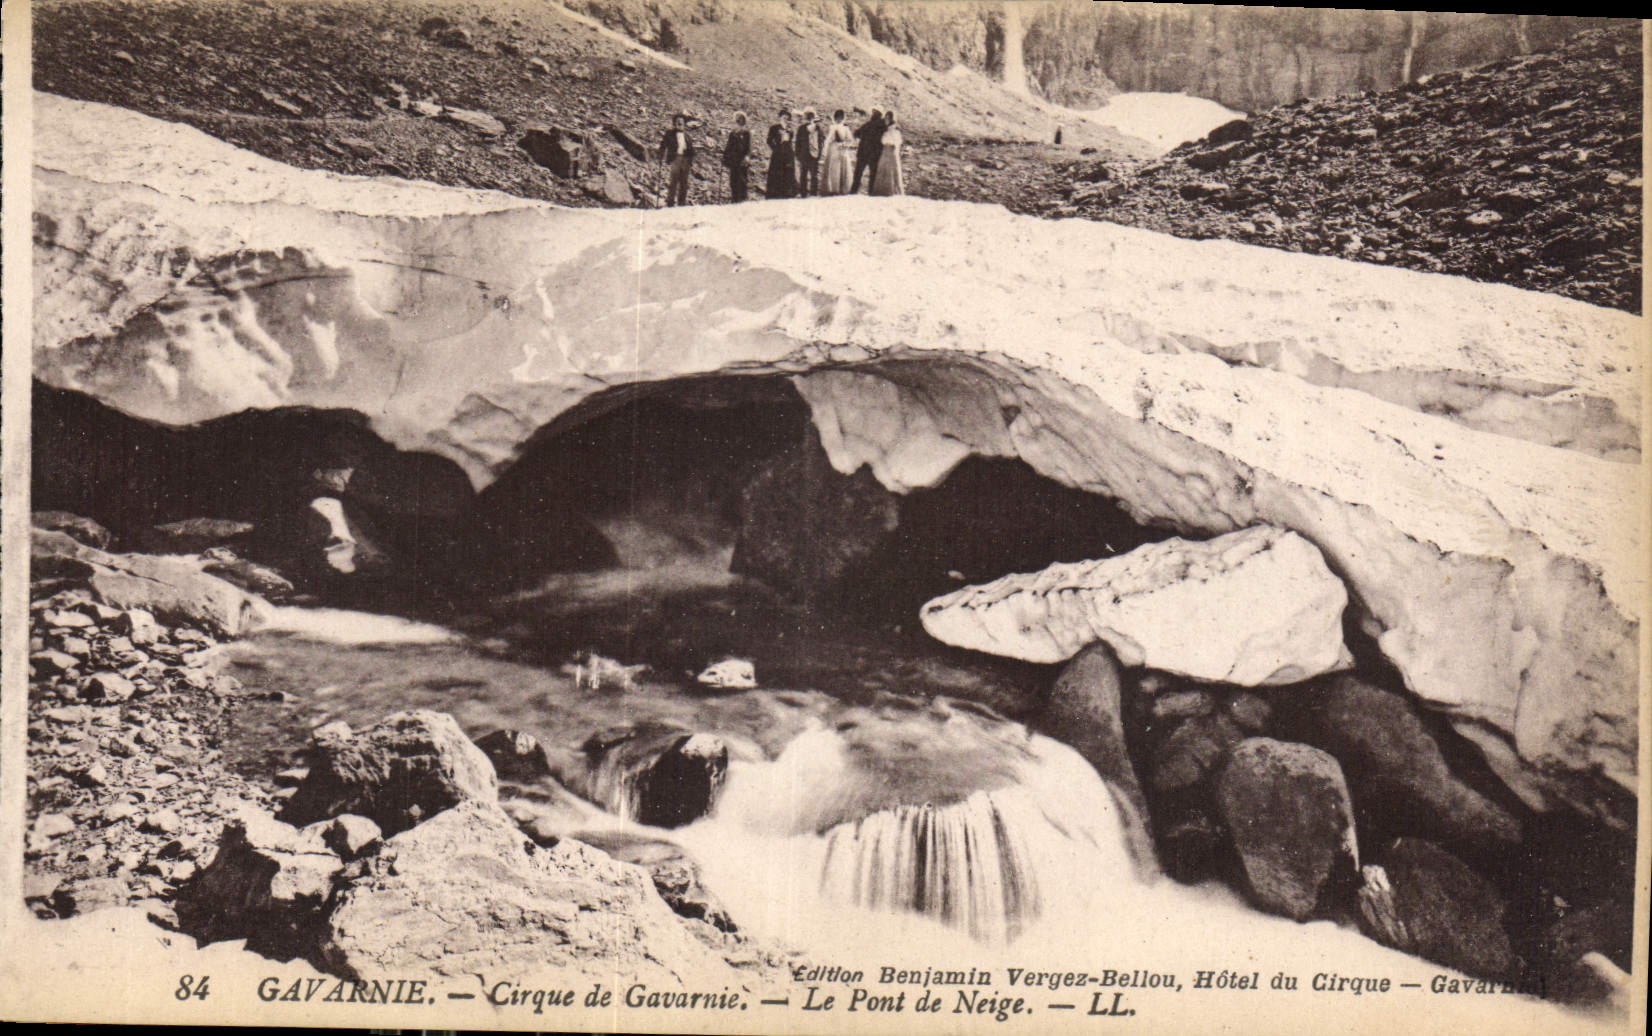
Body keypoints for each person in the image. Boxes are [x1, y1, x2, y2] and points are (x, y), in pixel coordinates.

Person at [658, 113, 696, 207]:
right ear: (674, 123)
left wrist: (691, 158)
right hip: (675, 159)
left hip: (685, 160)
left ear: (684, 124)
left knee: (684, 182)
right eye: (677, 122)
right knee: (673, 181)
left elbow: (691, 150)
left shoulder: (687, 136)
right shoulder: (669, 134)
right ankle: (670, 203)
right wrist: (660, 156)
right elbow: (663, 145)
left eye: (681, 122)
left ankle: (681, 203)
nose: (679, 123)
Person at [871, 111, 905, 197]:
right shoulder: (887, 130)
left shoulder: (895, 130)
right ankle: (882, 191)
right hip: (885, 152)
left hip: (891, 152)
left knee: (891, 170)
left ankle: (891, 191)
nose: (885, 120)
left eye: (887, 118)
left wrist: (892, 146)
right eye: (885, 118)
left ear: (891, 119)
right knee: (883, 169)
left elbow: (897, 142)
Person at [851, 108, 885, 194]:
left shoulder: (871, 124)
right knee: (871, 174)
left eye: (874, 112)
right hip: (873, 153)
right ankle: (870, 192)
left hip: (866, 152)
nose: (873, 114)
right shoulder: (882, 125)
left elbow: (856, 133)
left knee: (859, 172)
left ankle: (854, 191)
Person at [820, 109, 854, 195]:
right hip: (834, 149)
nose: (839, 119)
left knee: (842, 168)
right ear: (835, 118)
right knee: (834, 168)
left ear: (843, 118)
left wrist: (844, 144)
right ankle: (833, 188)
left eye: (841, 118)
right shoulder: (832, 127)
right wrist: (825, 148)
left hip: (842, 149)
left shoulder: (846, 128)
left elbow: (850, 140)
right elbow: (828, 139)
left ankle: (842, 188)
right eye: (837, 118)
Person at [765, 110, 797, 199]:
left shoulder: (790, 130)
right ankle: (774, 194)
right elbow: (769, 141)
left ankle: (786, 194)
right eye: (784, 118)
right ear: (780, 118)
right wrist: (775, 148)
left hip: (787, 154)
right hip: (777, 155)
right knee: (776, 173)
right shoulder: (774, 128)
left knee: (787, 173)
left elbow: (790, 142)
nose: (785, 120)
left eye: (787, 118)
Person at [722, 112, 751, 203]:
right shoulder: (733, 133)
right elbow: (728, 146)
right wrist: (725, 157)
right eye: (737, 120)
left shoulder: (746, 133)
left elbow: (748, 147)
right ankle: (734, 200)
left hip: (742, 162)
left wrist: (747, 157)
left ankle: (742, 200)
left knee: (742, 182)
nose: (739, 122)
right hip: (733, 161)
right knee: (733, 181)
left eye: (741, 119)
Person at [794, 109, 821, 197]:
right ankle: (803, 193)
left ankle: (813, 193)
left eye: (811, 116)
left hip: (813, 155)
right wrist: (798, 154)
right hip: (804, 155)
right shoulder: (801, 128)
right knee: (804, 175)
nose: (810, 119)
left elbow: (821, 141)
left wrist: (819, 153)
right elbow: (798, 142)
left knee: (813, 175)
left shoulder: (817, 128)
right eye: (808, 116)